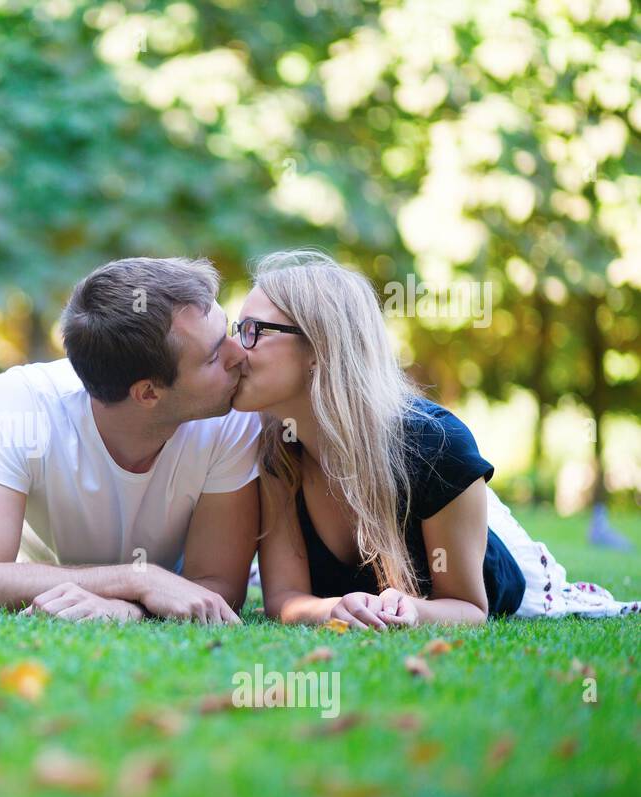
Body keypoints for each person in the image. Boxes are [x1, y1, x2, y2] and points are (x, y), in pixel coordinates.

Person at [233, 249, 639, 628]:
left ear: (319, 348)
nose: (233, 350)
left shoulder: (437, 447)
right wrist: (332, 608)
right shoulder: (277, 445)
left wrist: (416, 610)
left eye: (253, 331)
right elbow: (285, 597)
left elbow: (469, 607)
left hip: (497, 569)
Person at [0, 256, 261, 622]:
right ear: (147, 393)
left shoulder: (232, 417)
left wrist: (127, 608)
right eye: (215, 355)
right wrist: (139, 579)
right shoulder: (26, 404)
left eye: (230, 330)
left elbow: (219, 587)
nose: (241, 355)